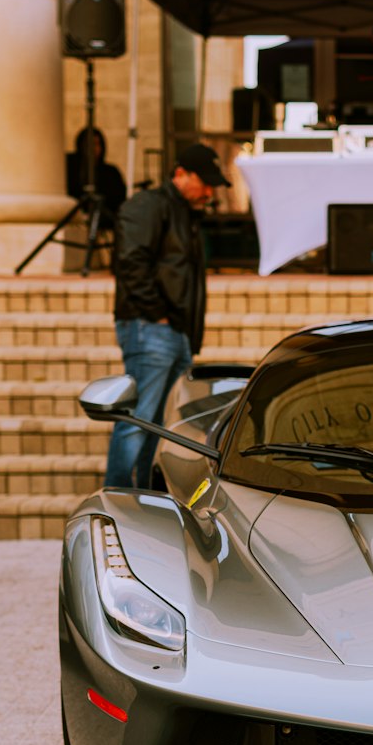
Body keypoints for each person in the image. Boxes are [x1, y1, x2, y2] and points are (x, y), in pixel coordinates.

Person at [103, 143, 230, 489]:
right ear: (180, 174)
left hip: (171, 331)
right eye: (204, 182)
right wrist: (157, 315)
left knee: (154, 424)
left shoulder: (182, 214)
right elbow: (131, 262)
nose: (209, 191)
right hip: (152, 328)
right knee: (138, 422)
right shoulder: (149, 206)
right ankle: (120, 499)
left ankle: (138, 497)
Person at [65, 126, 127, 226]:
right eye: (88, 144)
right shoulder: (70, 166)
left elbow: (118, 202)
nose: (93, 149)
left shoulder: (111, 172)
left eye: (96, 144)